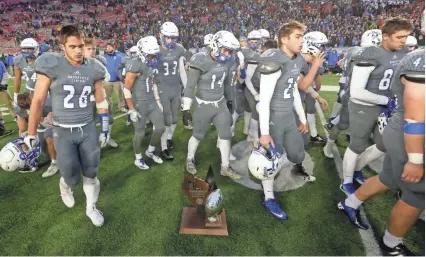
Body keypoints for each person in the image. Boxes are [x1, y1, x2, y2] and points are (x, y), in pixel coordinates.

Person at [338, 47, 424, 256]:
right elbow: (415, 116)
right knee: (418, 194)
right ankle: (391, 244)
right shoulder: (420, 62)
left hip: (403, 131)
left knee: (389, 178)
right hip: (410, 134)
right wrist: (415, 159)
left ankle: (350, 203)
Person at [24, 25, 109, 227]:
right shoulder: (51, 64)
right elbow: (37, 100)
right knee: (71, 176)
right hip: (62, 129)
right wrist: (31, 132)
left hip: (87, 127)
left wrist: (105, 126)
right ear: (63, 46)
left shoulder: (94, 67)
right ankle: (65, 185)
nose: (78, 51)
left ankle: (91, 207)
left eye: (80, 46)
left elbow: (101, 99)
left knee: (91, 171)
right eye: (73, 47)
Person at [340, 18, 413, 195]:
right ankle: (347, 181)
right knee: (357, 145)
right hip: (363, 106)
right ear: (385, 36)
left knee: (384, 144)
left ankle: (356, 168)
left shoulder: (402, 51)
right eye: (399, 37)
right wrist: (387, 101)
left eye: (406, 37)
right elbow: (356, 91)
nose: (404, 41)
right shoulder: (370, 54)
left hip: (387, 106)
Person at [257, 21, 312, 221]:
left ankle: (292, 166)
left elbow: (294, 90)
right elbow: (264, 100)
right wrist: (264, 132)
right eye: (297, 37)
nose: (301, 41)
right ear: (284, 39)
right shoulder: (274, 59)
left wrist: (302, 116)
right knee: (271, 158)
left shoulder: (296, 59)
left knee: (298, 152)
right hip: (273, 118)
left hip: (289, 115)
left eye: (302, 37)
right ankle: (268, 197)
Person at [182, 30, 241, 179]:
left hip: (220, 103)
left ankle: (225, 167)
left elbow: (227, 85)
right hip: (203, 105)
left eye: (230, 51)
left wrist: (229, 101)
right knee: (198, 134)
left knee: (226, 135)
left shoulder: (228, 62)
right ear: (215, 45)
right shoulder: (200, 60)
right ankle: (190, 158)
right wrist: (186, 109)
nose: (228, 54)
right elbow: (189, 87)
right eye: (226, 50)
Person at [124, 36, 166, 170]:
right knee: (140, 133)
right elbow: (126, 89)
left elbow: (152, 82)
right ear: (142, 53)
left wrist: (158, 100)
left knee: (160, 127)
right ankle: (138, 158)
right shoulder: (135, 64)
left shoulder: (151, 63)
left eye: (155, 55)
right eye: (150, 56)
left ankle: (150, 150)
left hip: (151, 102)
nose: (154, 59)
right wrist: (131, 109)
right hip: (139, 104)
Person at [156, 22, 187, 161]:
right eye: (168, 37)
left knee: (174, 119)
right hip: (163, 88)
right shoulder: (156, 51)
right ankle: (163, 148)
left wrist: (187, 89)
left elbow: (182, 70)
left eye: (173, 38)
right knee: (166, 119)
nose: (170, 41)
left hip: (176, 88)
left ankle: (168, 138)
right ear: (161, 36)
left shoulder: (180, 49)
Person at [83, 36, 119, 148]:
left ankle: (108, 137)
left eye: (93, 48)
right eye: (88, 49)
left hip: (100, 95)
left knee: (109, 118)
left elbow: (106, 77)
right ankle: (90, 145)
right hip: (86, 99)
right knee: (88, 123)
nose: (92, 51)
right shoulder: (77, 63)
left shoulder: (100, 61)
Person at [15, 92, 58, 177]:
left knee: (49, 137)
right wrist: (24, 143)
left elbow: (56, 124)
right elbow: (22, 129)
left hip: (55, 124)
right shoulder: (20, 108)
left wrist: (41, 120)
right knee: (42, 152)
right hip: (40, 126)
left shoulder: (49, 103)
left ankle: (54, 163)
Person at [104, 42, 126, 113]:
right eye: (107, 47)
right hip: (107, 80)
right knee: (107, 96)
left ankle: (121, 107)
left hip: (117, 80)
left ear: (113, 47)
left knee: (120, 95)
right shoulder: (104, 57)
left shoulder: (119, 56)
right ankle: (109, 108)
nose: (108, 48)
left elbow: (123, 66)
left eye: (110, 47)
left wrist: (122, 75)